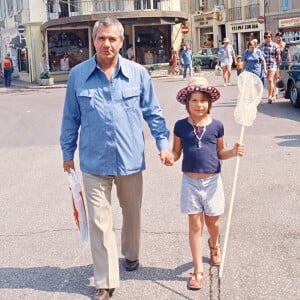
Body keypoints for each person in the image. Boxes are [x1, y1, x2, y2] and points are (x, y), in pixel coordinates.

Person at [60, 17, 172, 300]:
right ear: (93, 40)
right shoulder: (77, 76)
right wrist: (67, 153)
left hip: (130, 158)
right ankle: (105, 281)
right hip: (94, 160)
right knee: (100, 221)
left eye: (112, 39)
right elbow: (70, 118)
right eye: (101, 38)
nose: (106, 44)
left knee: (131, 213)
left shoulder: (138, 74)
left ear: (122, 42)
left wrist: (162, 144)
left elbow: (154, 114)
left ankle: (131, 254)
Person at [166, 76, 244, 290]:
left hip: (212, 182)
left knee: (213, 223)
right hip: (190, 182)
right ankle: (198, 270)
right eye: (194, 100)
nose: (199, 104)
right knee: (195, 225)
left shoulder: (217, 126)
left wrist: (233, 151)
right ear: (187, 103)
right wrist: (169, 158)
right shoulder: (180, 126)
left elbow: (220, 152)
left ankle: (214, 245)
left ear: (209, 103)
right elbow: (176, 152)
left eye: (203, 100)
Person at [259, 31, 280, 103]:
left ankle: (269, 96)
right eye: (266, 37)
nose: (267, 38)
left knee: (271, 79)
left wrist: (278, 68)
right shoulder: (261, 46)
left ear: (271, 37)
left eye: (269, 37)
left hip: (273, 64)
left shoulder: (275, 45)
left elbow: (278, 57)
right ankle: (273, 94)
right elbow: (259, 55)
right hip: (265, 65)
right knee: (270, 81)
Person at [274, 32, 286, 99]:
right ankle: (276, 93)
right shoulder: (274, 45)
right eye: (278, 36)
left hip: (284, 63)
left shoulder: (284, 44)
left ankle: (285, 92)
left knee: (284, 77)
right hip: (276, 63)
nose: (279, 38)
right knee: (276, 78)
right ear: (276, 37)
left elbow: (288, 54)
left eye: (280, 36)